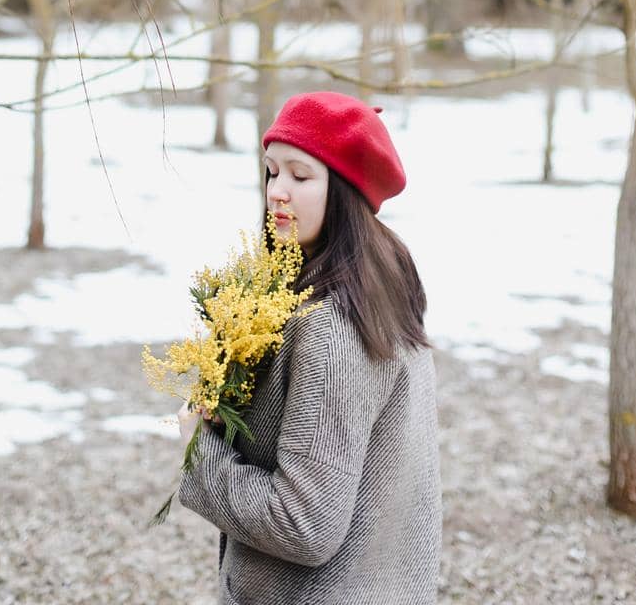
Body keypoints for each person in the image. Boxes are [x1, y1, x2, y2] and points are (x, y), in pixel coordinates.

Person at [176, 89, 442, 605]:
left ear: (344, 190)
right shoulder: (379, 283)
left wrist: (200, 449)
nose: (278, 191)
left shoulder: (331, 329)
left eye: (301, 176)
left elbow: (302, 523)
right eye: (272, 171)